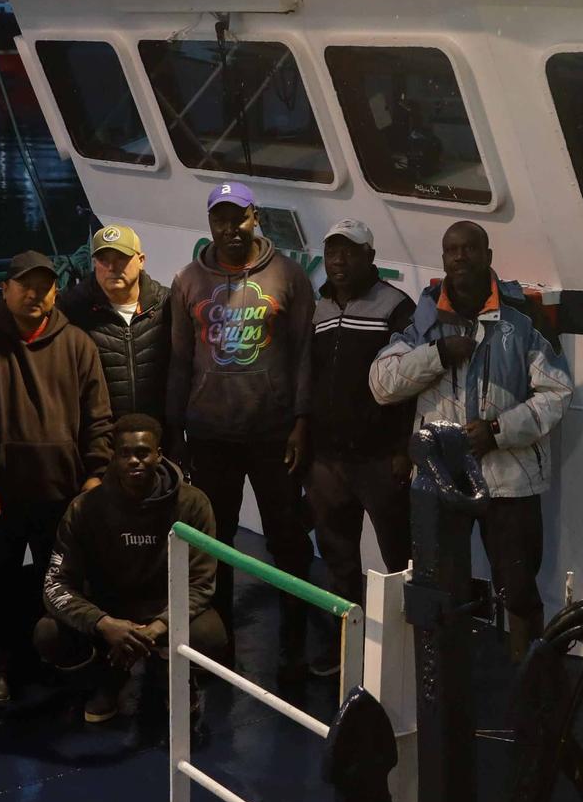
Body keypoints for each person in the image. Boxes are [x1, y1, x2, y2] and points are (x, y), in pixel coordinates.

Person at [369, 221, 572, 659]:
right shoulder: (421, 319)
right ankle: (448, 684)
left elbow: (557, 394)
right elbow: (382, 384)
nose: (459, 257)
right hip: (442, 480)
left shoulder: (524, 318)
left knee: (519, 590)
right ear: (443, 260)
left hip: (510, 481)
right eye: (451, 250)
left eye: (469, 249)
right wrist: (438, 354)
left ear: (488, 255)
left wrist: (498, 432)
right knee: (443, 588)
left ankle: (528, 685)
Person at [164, 181, 317, 680]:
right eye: (220, 219)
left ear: (256, 218)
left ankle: (294, 644)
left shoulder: (289, 275)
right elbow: (180, 363)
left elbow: (303, 358)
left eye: (239, 217)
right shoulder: (188, 280)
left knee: (288, 541)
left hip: (273, 435)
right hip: (210, 436)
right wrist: (176, 432)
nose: (230, 228)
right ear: (210, 223)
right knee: (217, 543)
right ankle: (219, 643)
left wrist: (301, 422)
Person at [0, 250, 114, 703]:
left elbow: (98, 417)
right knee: (0, 583)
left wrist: (95, 475)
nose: (34, 293)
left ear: (55, 292)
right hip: (1, 496)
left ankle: (60, 660)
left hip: (64, 495)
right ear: (4, 290)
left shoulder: (78, 345)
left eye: (44, 285)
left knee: (62, 584)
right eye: (24, 284)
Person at [36, 414, 229, 724]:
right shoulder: (86, 507)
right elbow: (56, 585)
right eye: (125, 453)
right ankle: (106, 678)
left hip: (164, 612)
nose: (134, 461)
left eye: (143, 452)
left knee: (211, 634)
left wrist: (157, 627)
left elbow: (201, 582)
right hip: (109, 611)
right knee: (49, 633)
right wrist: (104, 623)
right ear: (114, 456)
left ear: (159, 454)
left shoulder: (193, 504)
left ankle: (173, 674)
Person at [305, 219, 415, 672]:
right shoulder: (319, 309)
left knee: (400, 556)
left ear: (370, 256)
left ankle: (409, 648)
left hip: (379, 458)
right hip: (327, 460)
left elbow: (414, 382)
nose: (338, 261)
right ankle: (343, 649)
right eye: (332, 252)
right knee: (337, 558)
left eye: (349, 252)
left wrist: (404, 446)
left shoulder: (397, 307)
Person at [60, 223, 175, 424]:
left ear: (141, 261)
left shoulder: (168, 304)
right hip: (101, 437)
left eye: (121, 258)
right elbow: (29, 319)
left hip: (157, 435)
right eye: (103, 260)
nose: (112, 267)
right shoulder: (73, 308)